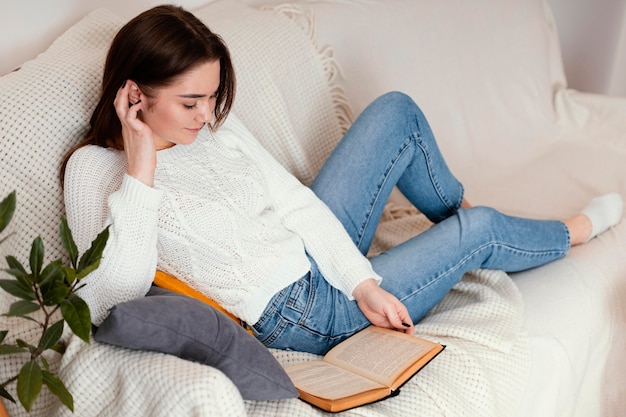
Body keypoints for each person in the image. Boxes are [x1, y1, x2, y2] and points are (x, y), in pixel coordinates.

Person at [62, 5, 623, 356]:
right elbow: (112, 295)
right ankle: (556, 232)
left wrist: (361, 282)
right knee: (475, 231)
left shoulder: (213, 132)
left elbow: (296, 203)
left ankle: (462, 230)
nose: (207, 115)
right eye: (191, 101)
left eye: (212, 97)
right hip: (300, 314)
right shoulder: (92, 171)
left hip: (319, 257)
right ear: (134, 94)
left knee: (394, 111)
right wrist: (141, 171)